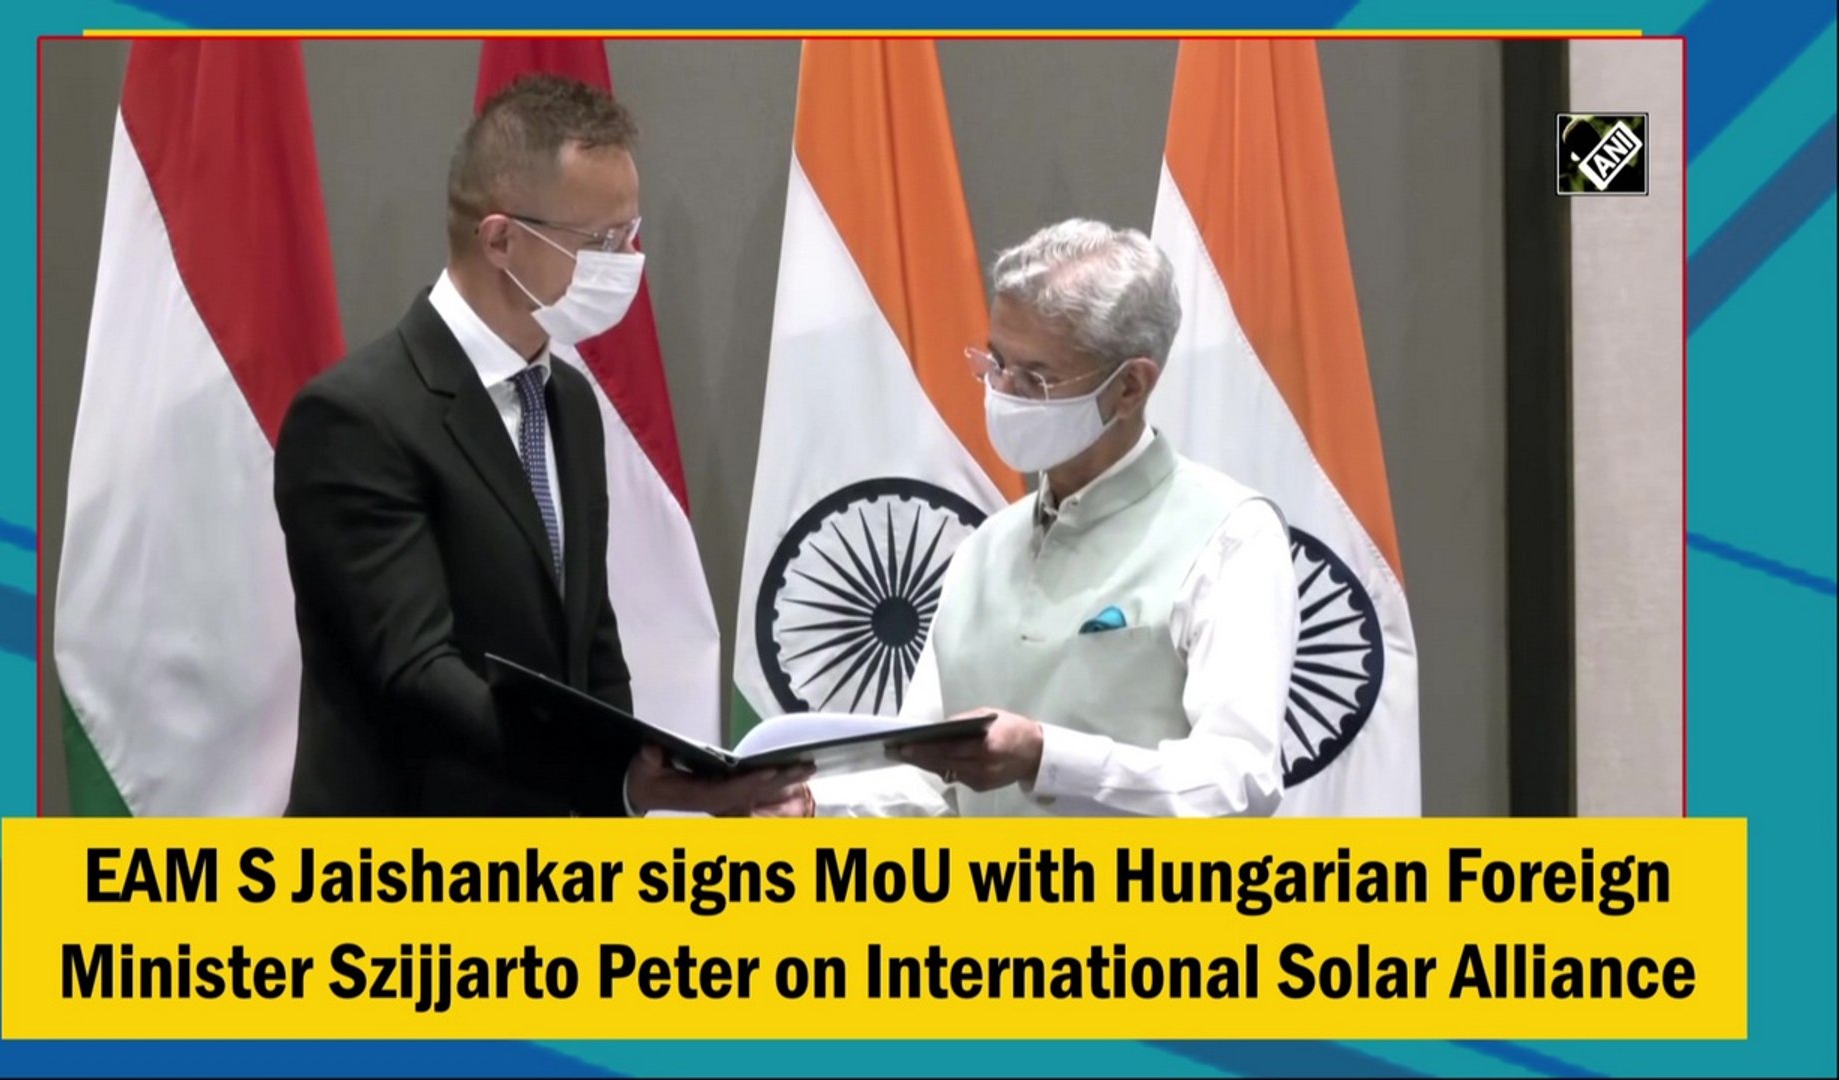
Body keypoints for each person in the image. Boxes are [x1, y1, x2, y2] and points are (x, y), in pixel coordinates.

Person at [273, 75, 806, 817]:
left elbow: (591, 646)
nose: (627, 261)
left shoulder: (569, 401)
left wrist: (647, 782)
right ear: (500, 239)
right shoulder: (355, 418)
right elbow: (416, 675)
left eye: (631, 234)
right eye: (601, 242)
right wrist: (615, 780)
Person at [760, 220, 1299, 818]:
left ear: (1130, 387)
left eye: (1035, 378)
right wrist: (810, 806)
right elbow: (932, 785)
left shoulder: (1229, 536)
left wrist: (1047, 758)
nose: (1004, 392)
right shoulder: (983, 549)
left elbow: (1238, 783)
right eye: (996, 363)